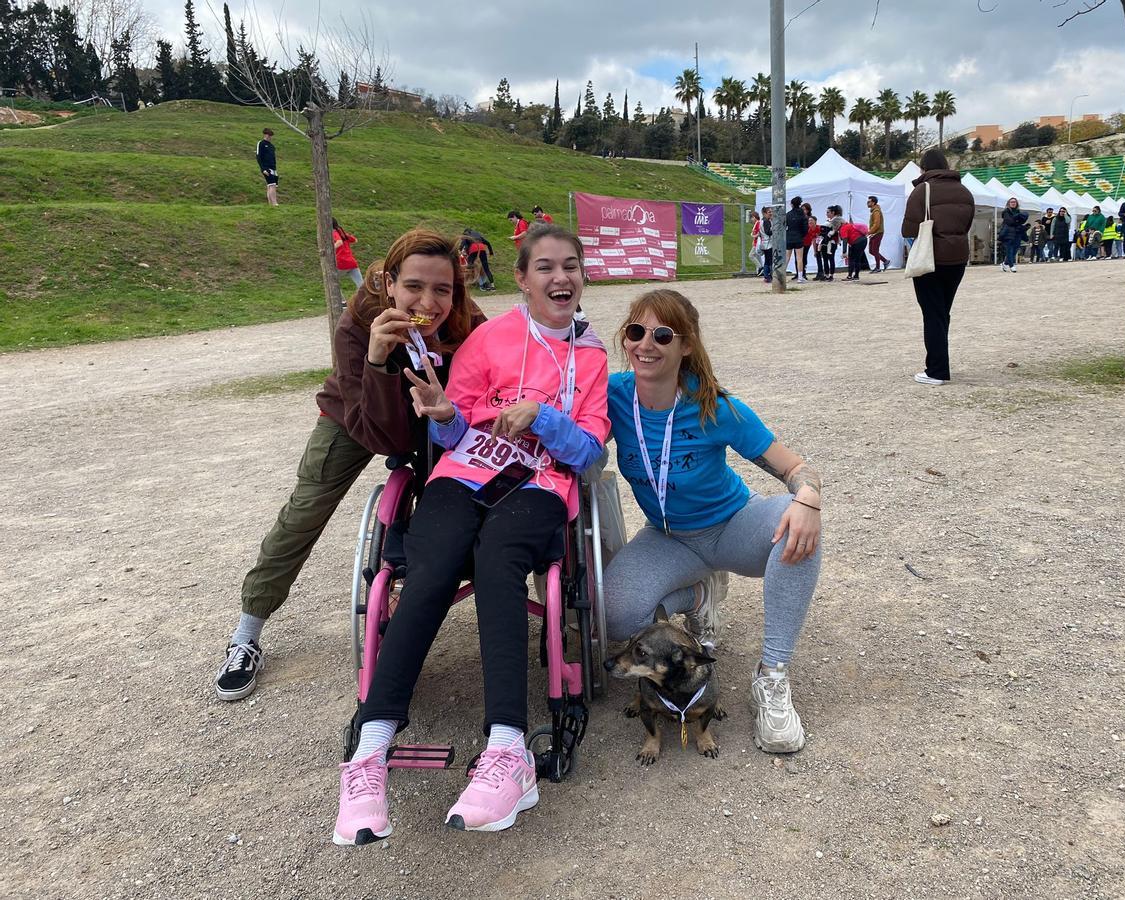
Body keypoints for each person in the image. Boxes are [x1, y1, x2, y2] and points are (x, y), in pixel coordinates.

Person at [333, 224, 610, 841]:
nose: (559, 278)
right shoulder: (490, 338)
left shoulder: (590, 356)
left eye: (571, 266)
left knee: (499, 562)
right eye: (544, 267)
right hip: (465, 472)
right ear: (521, 278)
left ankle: (508, 750)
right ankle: (371, 749)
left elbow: (589, 450)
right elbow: (450, 432)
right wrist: (445, 415)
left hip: (540, 482)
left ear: (583, 277)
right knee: (429, 566)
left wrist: (543, 416)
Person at [214, 230, 484, 703]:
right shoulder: (357, 322)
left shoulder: (466, 319)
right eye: (414, 287)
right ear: (388, 282)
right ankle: (246, 634)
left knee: (459, 489)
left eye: (443, 289)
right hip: (357, 415)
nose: (428, 300)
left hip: (436, 415)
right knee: (305, 510)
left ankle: (413, 589)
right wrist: (379, 359)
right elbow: (383, 436)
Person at [604, 288, 822, 754]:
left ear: (686, 346)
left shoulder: (715, 405)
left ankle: (773, 676)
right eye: (636, 332)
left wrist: (807, 496)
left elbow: (792, 466)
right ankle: (701, 593)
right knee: (615, 615)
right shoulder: (614, 396)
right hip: (667, 538)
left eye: (662, 335)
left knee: (798, 525)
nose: (646, 344)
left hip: (730, 528)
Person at [901, 148, 974, 386]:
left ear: (923, 168)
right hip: (957, 258)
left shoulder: (923, 190)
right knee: (942, 312)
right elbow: (967, 223)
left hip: (931, 258)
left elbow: (909, 229)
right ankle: (939, 362)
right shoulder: (964, 191)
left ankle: (937, 370)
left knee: (932, 314)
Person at [332, 218, 364, 290]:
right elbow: (355, 240)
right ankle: (368, 300)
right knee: (362, 286)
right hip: (352, 262)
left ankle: (342, 301)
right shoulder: (342, 234)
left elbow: (339, 242)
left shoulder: (333, 232)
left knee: (331, 280)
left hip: (342, 262)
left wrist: (330, 248)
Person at [998, 199, 1027, 273]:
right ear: (1008, 203)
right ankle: (1012, 265)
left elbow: (1022, 220)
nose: (1013, 203)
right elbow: (1009, 221)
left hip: (1017, 233)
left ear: (1017, 203)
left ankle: (1005, 263)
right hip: (1008, 233)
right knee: (1009, 250)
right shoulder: (1006, 211)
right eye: (1011, 202)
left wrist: (1017, 219)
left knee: (1015, 250)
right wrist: (1017, 220)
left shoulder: (1019, 212)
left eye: (1014, 202)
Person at [866, 195, 890, 272]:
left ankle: (878, 267)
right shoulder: (874, 211)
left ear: (873, 202)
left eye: (869, 202)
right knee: (871, 251)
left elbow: (876, 224)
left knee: (874, 250)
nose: (867, 203)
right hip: (874, 233)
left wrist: (869, 232)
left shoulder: (876, 211)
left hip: (877, 233)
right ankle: (885, 261)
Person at [784, 196, 806, 281]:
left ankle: (782, 275)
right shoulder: (802, 214)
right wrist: (802, 235)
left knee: (787, 257)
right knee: (799, 258)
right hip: (798, 237)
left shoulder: (788, 214)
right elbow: (805, 228)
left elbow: (784, 225)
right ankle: (800, 277)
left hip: (789, 236)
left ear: (792, 204)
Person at [256, 127, 279, 207]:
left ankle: (270, 204)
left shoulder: (272, 146)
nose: (269, 137)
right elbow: (259, 157)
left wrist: (275, 169)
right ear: (265, 135)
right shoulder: (261, 143)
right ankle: (274, 203)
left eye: (270, 136)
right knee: (271, 184)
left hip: (273, 168)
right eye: (268, 135)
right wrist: (263, 169)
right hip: (266, 168)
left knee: (271, 185)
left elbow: (273, 158)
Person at [823, 205, 844, 279]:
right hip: (829, 241)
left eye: (828, 212)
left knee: (830, 258)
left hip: (832, 241)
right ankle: (828, 274)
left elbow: (834, 231)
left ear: (833, 212)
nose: (827, 214)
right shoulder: (832, 220)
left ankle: (830, 275)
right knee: (827, 258)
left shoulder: (836, 220)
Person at [801, 213, 819, 281]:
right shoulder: (805, 226)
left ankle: (803, 273)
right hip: (801, 242)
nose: (810, 222)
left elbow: (814, 238)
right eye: (809, 221)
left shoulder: (813, 228)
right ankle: (800, 273)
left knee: (804, 257)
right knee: (801, 258)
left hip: (807, 243)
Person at [760, 206, 774, 283]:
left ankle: (767, 275)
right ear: (764, 213)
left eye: (771, 212)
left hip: (765, 243)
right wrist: (774, 230)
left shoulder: (763, 221)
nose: (771, 213)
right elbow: (768, 232)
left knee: (767, 260)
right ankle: (768, 276)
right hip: (768, 243)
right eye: (769, 212)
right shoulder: (766, 221)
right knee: (769, 260)